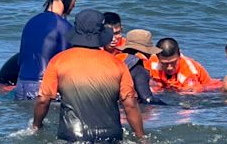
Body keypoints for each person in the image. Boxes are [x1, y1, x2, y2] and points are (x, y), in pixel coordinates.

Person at [32, 9, 145, 142]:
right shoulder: (117, 64)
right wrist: (141, 137)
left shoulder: (58, 61)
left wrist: (36, 126)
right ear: (102, 34)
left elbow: (43, 100)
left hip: (72, 135)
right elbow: (130, 104)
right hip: (110, 135)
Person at [15, 0, 83, 100]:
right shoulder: (63, 26)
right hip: (45, 86)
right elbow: (65, 65)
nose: (74, 5)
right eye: (74, 0)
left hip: (21, 84)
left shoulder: (31, 22)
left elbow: (21, 60)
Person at [148, 37, 222, 92]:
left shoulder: (189, 71)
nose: (169, 68)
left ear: (179, 55)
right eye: (165, 63)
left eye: (173, 62)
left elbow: (189, 100)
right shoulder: (151, 61)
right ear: (157, 57)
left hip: (206, 88)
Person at [116, 29, 167, 105]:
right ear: (146, 52)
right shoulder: (139, 70)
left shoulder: (116, 59)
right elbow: (146, 99)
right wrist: (172, 107)